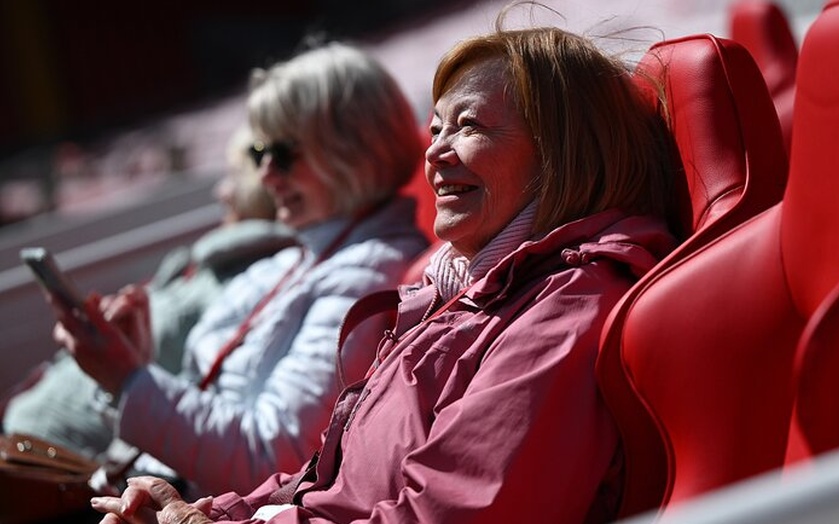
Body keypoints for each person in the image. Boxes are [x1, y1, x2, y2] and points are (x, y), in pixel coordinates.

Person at [90, 19, 680, 524]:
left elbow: (449, 513)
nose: (434, 151)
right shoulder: (460, 290)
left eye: (468, 125)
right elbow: (330, 482)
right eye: (436, 128)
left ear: (561, 152)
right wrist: (214, 512)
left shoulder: (565, 306)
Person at [46, 40, 429, 498]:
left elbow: (271, 459)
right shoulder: (297, 259)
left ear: (355, 149)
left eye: (283, 153)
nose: (266, 175)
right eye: (259, 153)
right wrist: (134, 359)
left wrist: (127, 378)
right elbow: (214, 404)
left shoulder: (368, 275)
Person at [2, 122, 295, 460]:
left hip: (58, 455)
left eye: (233, 175)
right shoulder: (203, 262)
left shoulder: (250, 282)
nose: (222, 191)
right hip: (33, 430)